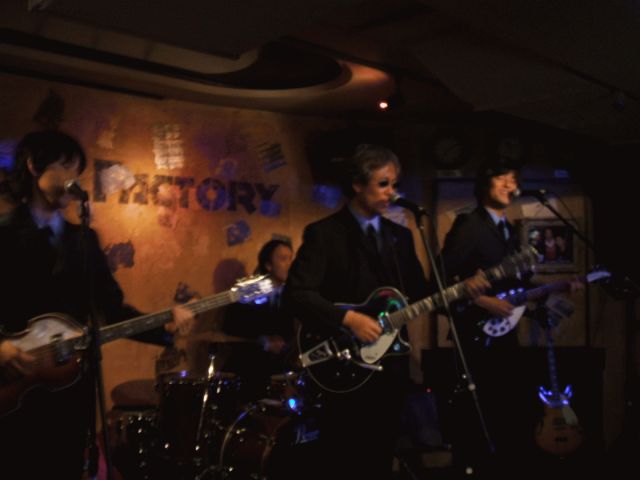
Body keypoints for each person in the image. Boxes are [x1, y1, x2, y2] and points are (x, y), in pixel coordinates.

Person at [283, 144, 488, 479]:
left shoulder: (400, 237)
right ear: (357, 184)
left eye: (394, 184)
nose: (391, 192)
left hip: (391, 366)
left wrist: (462, 290)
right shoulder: (325, 233)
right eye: (383, 184)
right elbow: (296, 294)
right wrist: (349, 319)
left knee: (381, 456)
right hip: (343, 365)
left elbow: (420, 295)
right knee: (343, 458)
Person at [0, 130, 194, 479]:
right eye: (64, 166)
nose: (73, 177)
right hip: (14, 387)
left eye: (77, 169)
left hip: (71, 386)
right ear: (33, 166)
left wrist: (162, 325)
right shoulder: (4, 233)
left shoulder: (83, 239)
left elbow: (112, 308)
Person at [437, 159, 533, 475]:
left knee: (506, 417)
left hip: (505, 334)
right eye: (501, 177)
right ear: (484, 184)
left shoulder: (510, 231)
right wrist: (481, 301)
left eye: (513, 178)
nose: (509, 184)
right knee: (477, 419)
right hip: (475, 335)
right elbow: (438, 282)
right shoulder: (470, 225)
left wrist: (550, 296)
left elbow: (516, 287)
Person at [221, 238, 296, 400]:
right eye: (283, 259)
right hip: (249, 367)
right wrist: (262, 340)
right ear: (268, 265)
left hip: (279, 368)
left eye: (291, 258)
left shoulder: (290, 294)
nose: (290, 264)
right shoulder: (249, 291)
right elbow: (230, 325)